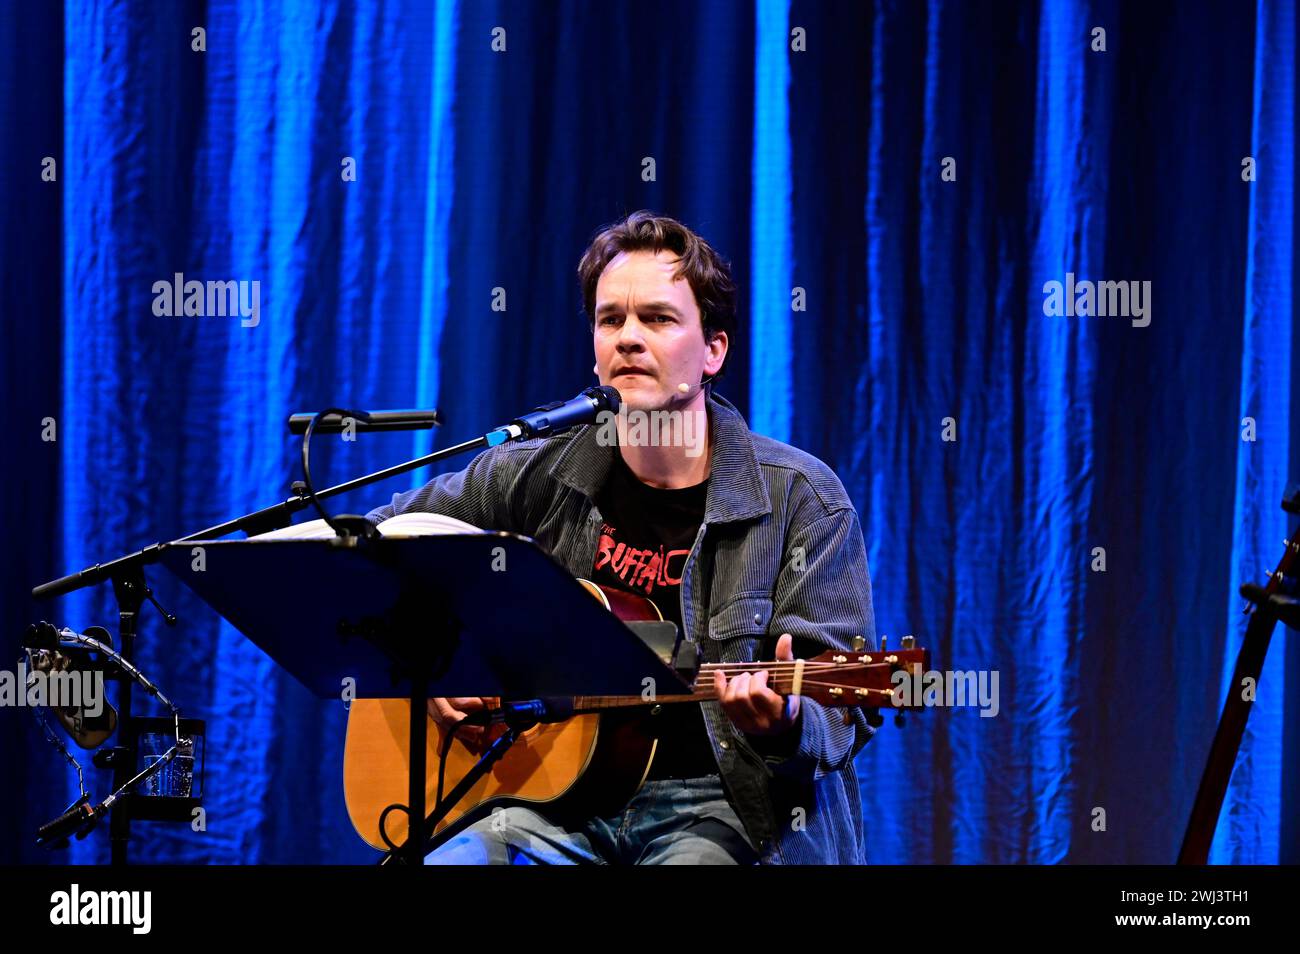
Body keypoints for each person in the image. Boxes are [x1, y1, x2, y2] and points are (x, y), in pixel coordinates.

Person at [365, 210, 878, 864]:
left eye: (658, 319)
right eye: (612, 320)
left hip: (725, 806)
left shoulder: (800, 498)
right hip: (546, 799)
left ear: (713, 348)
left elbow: (839, 713)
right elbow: (375, 545)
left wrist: (784, 722)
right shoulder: (531, 473)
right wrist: (434, 665)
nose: (629, 338)